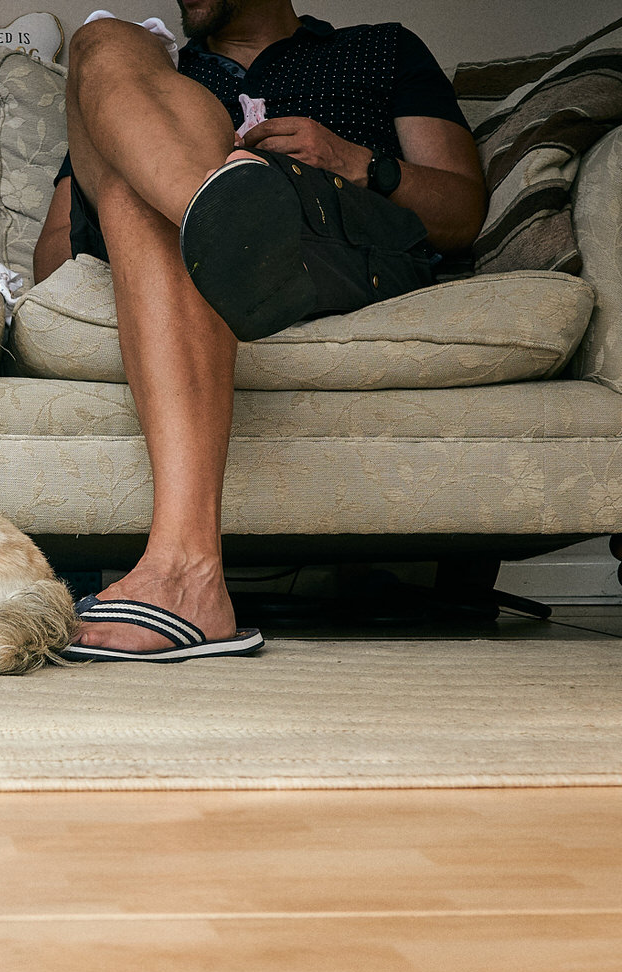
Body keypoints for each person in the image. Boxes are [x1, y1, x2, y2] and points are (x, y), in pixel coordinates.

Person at [34, 0, 486, 661]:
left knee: (149, 187)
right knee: (105, 48)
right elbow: (53, 255)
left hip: (330, 231)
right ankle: (214, 212)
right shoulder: (152, 78)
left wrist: (358, 161)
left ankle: (186, 574)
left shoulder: (380, 49)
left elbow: (462, 210)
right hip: (163, 235)